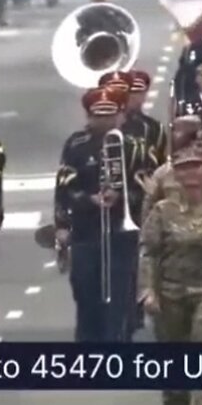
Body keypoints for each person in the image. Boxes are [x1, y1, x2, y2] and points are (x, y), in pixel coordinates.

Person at [139, 149, 202, 405]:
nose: (192, 173)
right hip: (171, 291)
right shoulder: (162, 212)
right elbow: (149, 252)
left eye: (197, 167)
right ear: (176, 175)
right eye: (184, 168)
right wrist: (148, 290)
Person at [52, 88, 149, 342]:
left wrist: (122, 197)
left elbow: (144, 183)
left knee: (119, 292)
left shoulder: (132, 145)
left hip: (121, 230)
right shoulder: (76, 145)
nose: (104, 121)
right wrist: (80, 207)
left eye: (110, 115)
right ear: (89, 116)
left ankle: (116, 340)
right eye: (98, 115)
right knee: (84, 289)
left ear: (119, 115)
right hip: (86, 229)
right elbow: (64, 187)